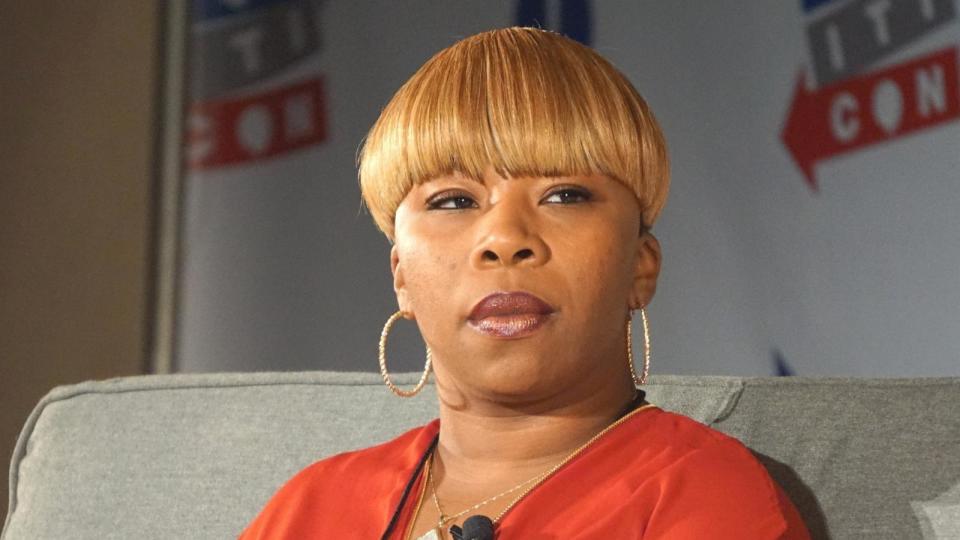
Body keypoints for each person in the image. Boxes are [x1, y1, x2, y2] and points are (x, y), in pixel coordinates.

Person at [239, 27, 811, 539]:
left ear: (641, 265)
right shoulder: (310, 507)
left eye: (564, 195)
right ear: (401, 279)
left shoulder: (704, 498)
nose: (505, 237)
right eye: (454, 200)